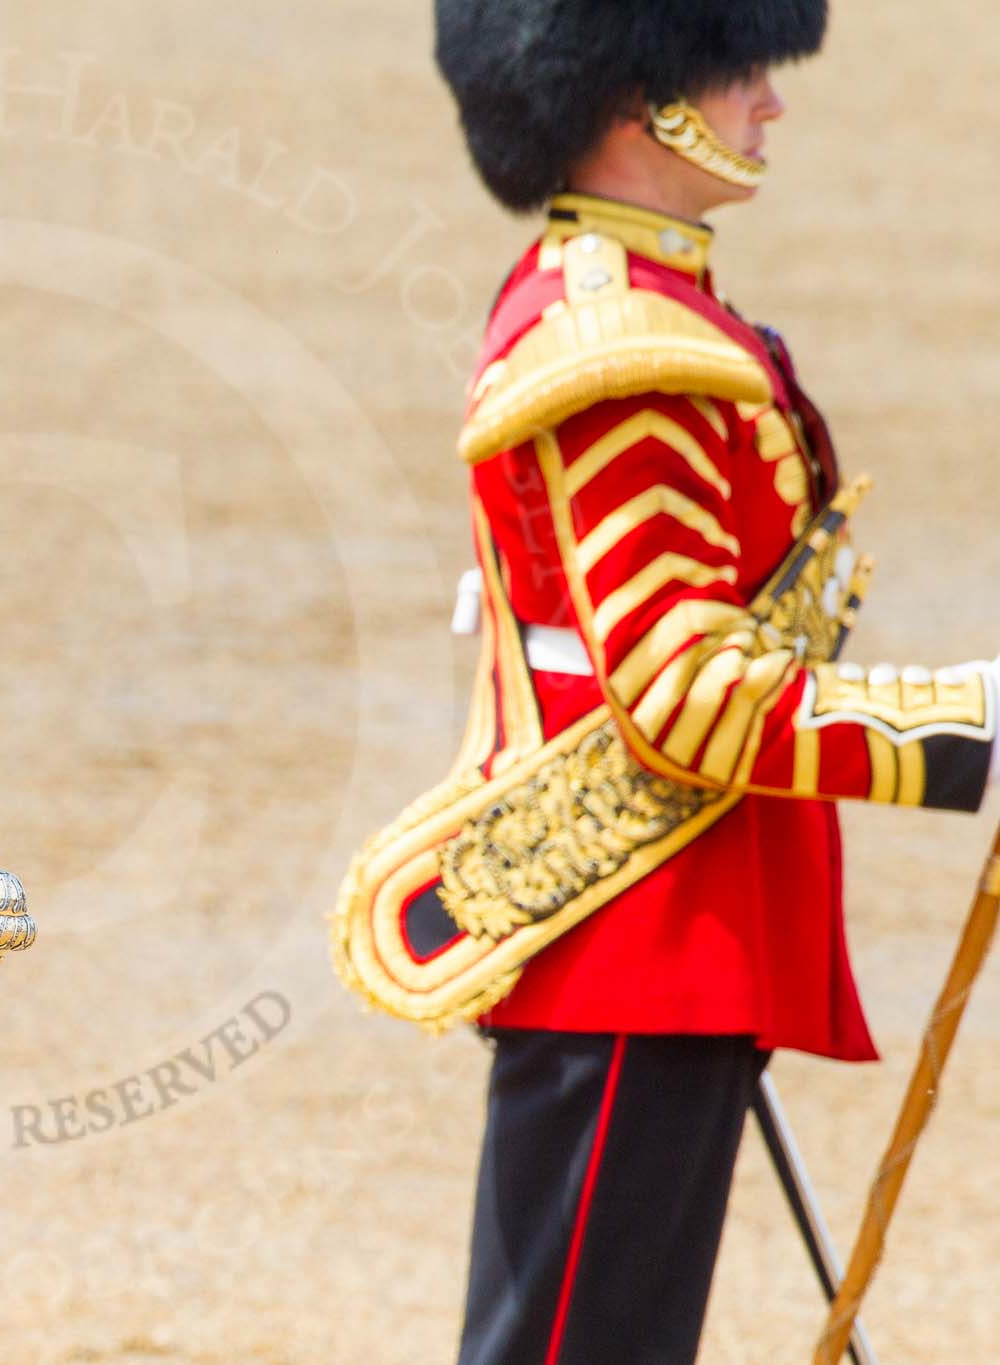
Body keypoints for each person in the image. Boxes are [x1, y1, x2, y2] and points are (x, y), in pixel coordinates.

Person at [336, 4, 999, 1361]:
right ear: (640, 94)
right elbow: (684, 691)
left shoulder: (649, 310)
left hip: (674, 923)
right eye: (745, 67)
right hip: (636, 925)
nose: (771, 102)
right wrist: (973, 724)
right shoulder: (620, 345)